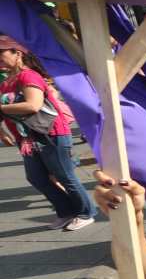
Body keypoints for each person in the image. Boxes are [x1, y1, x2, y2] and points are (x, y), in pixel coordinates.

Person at [0, 36, 96, 231]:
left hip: (51, 133)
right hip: (27, 138)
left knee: (64, 176)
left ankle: (86, 212)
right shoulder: (7, 81)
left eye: (0, 54)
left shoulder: (28, 76)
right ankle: (66, 211)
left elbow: (33, 105)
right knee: (36, 177)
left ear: (17, 54)